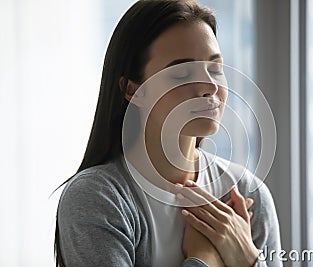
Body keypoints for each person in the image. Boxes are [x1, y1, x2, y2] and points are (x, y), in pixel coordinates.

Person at [54, 0, 282, 266]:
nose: (209, 86)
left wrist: (248, 258)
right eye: (182, 73)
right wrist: (205, 258)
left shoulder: (247, 193)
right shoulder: (99, 197)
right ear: (132, 89)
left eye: (215, 69)